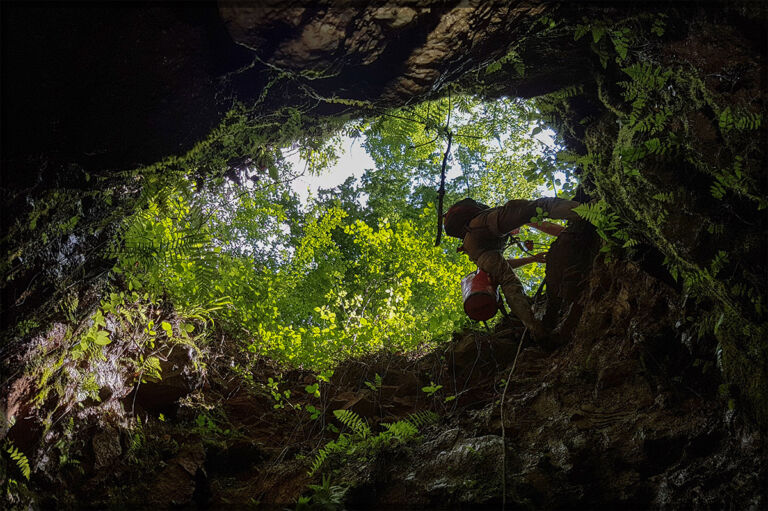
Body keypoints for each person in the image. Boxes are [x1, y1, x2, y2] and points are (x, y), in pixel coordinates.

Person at [444, 197, 580, 343]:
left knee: (509, 282)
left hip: (473, 248)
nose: (516, 230)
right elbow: (545, 226)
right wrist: (572, 235)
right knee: (540, 206)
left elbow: (501, 266)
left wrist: (531, 259)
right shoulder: (498, 219)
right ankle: (589, 212)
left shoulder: (481, 240)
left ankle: (537, 331)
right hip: (481, 226)